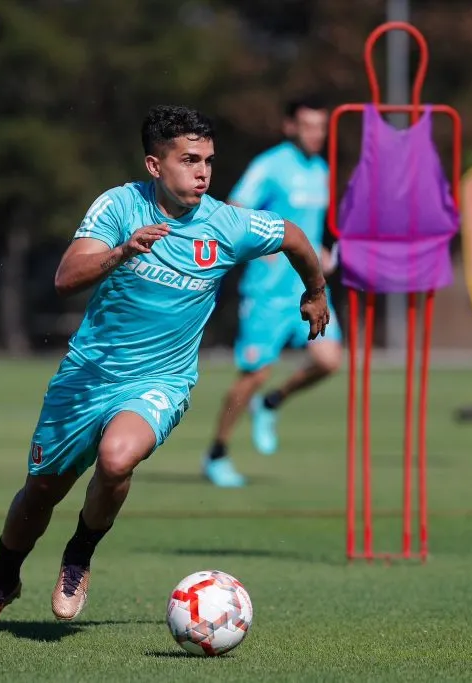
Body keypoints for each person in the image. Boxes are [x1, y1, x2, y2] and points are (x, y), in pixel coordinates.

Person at [0, 104, 330, 634]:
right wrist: (121, 252)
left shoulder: (227, 223)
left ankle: (79, 554)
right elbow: (66, 277)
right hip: (86, 377)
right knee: (40, 492)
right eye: (188, 160)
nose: (202, 172)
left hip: (161, 381)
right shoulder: (119, 206)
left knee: (116, 459)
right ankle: (1, 583)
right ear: (155, 165)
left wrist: (315, 292)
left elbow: (293, 236)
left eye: (208, 161)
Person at [201, 95, 343, 488]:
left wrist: (323, 252)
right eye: (309, 125)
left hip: (309, 290)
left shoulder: (321, 169)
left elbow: (311, 228)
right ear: (290, 127)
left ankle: (273, 403)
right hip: (267, 294)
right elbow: (234, 208)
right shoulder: (270, 165)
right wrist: (256, 247)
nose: (317, 134)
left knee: (329, 360)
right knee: (254, 374)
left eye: (322, 126)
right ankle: (217, 453)